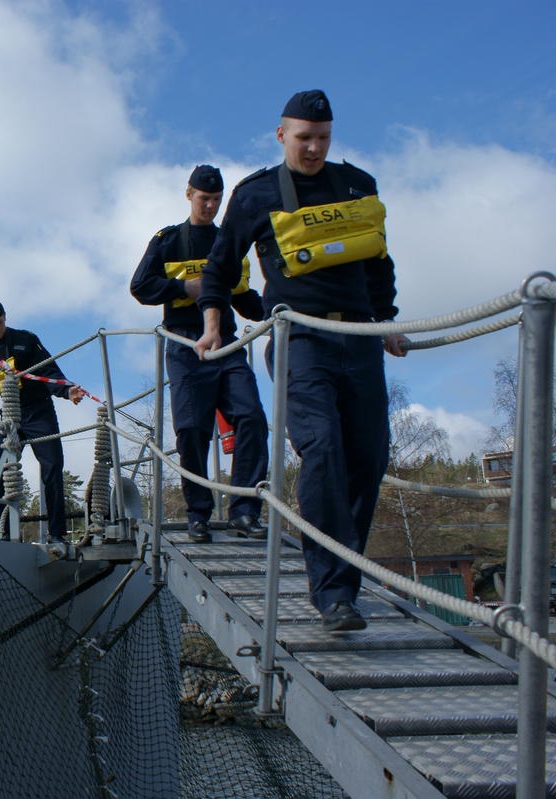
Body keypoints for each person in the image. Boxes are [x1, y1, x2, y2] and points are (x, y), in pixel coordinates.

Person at [194, 90, 409, 632]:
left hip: (359, 336)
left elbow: (377, 261)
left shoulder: (357, 184)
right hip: (300, 340)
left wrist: (387, 319)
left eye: (323, 139)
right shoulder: (256, 194)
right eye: (304, 138)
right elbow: (220, 267)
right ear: (281, 135)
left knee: (368, 459)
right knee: (323, 449)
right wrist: (213, 325)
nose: (314, 149)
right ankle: (333, 595)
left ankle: (345, 583)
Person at [130, 165, 269, 544]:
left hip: (226, 343)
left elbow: (244, 298)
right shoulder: (168, 240)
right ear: (189, 194)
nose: (210, 206)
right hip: (184, 344)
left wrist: (278, 308)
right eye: (204, 198)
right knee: (192, 430)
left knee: (252, 418)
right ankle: (198, 515)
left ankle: (244, 510)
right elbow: (140, 286)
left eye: (216, 200)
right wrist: (183, 287)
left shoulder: (228, 241)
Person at [0, 296, 86, 546]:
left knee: (52, 466)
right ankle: (6, 533)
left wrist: (67, 391)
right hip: (10, 417)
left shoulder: (26, 339)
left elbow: (50, 372)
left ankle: (57, 534)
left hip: (39, 412)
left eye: (0, 322)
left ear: (5, 318)